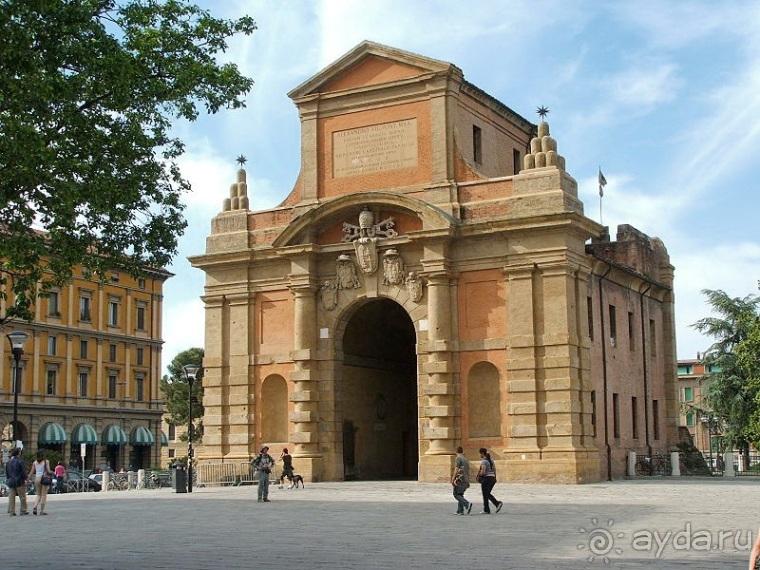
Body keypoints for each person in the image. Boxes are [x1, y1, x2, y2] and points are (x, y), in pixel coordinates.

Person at [477, 447, 503, 515]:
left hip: (486, 479)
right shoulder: (491, 460)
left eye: (480, 454)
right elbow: (494, 469)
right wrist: (495, 477)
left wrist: (479, 474)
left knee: (485, 495)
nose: (480, 455)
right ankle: (497, 504)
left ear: (482, 453)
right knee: (487, 494)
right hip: (492, 479)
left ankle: (486, 509)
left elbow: (483, 472)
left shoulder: (484, 461)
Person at [5, 447, 29, 516]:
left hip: (11, 481)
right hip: (19, 481)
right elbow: (23, 472)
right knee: (22, 496)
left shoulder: (8, 462)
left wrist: (8, 479)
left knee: (11, 497)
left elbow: (7, 473)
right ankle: (23, 510)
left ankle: (12, 511)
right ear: (18, 453)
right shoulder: (20, 461)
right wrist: (25, 479)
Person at [29, 450, 52, 515]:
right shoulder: (46, 461)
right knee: (43, 495)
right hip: (44, 478)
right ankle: (42, 511)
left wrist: (27, 479)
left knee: (38, 494)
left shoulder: (35, 462)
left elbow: (31, 472)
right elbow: (48, 470)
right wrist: (52, 472)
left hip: (37, 479)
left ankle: (35, 506)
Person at [451, 446, 472, 515]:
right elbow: (468, 471)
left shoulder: (458, 458)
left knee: (456, 494)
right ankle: (460, 510)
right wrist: (468, 481)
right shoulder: (466, 459)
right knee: (460, 494)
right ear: (462, 451)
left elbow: (456, 469)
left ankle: (467, 504)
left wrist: (453, 478)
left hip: (460, 479)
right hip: (465, 479)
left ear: (456, 451)